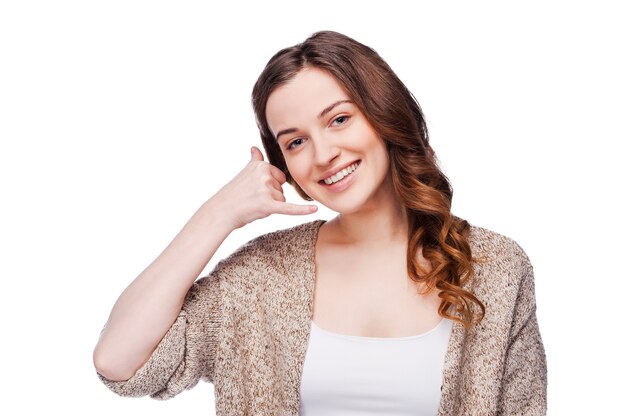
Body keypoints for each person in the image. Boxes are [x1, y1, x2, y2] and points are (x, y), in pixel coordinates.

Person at [93, 31, 547, 415]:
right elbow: (120, 362)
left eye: (340, 119)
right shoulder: (259, 276)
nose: (323, 154)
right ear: (283, 163)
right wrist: (217, 215)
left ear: (383, 115)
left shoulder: (495, 266)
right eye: (295, 142)